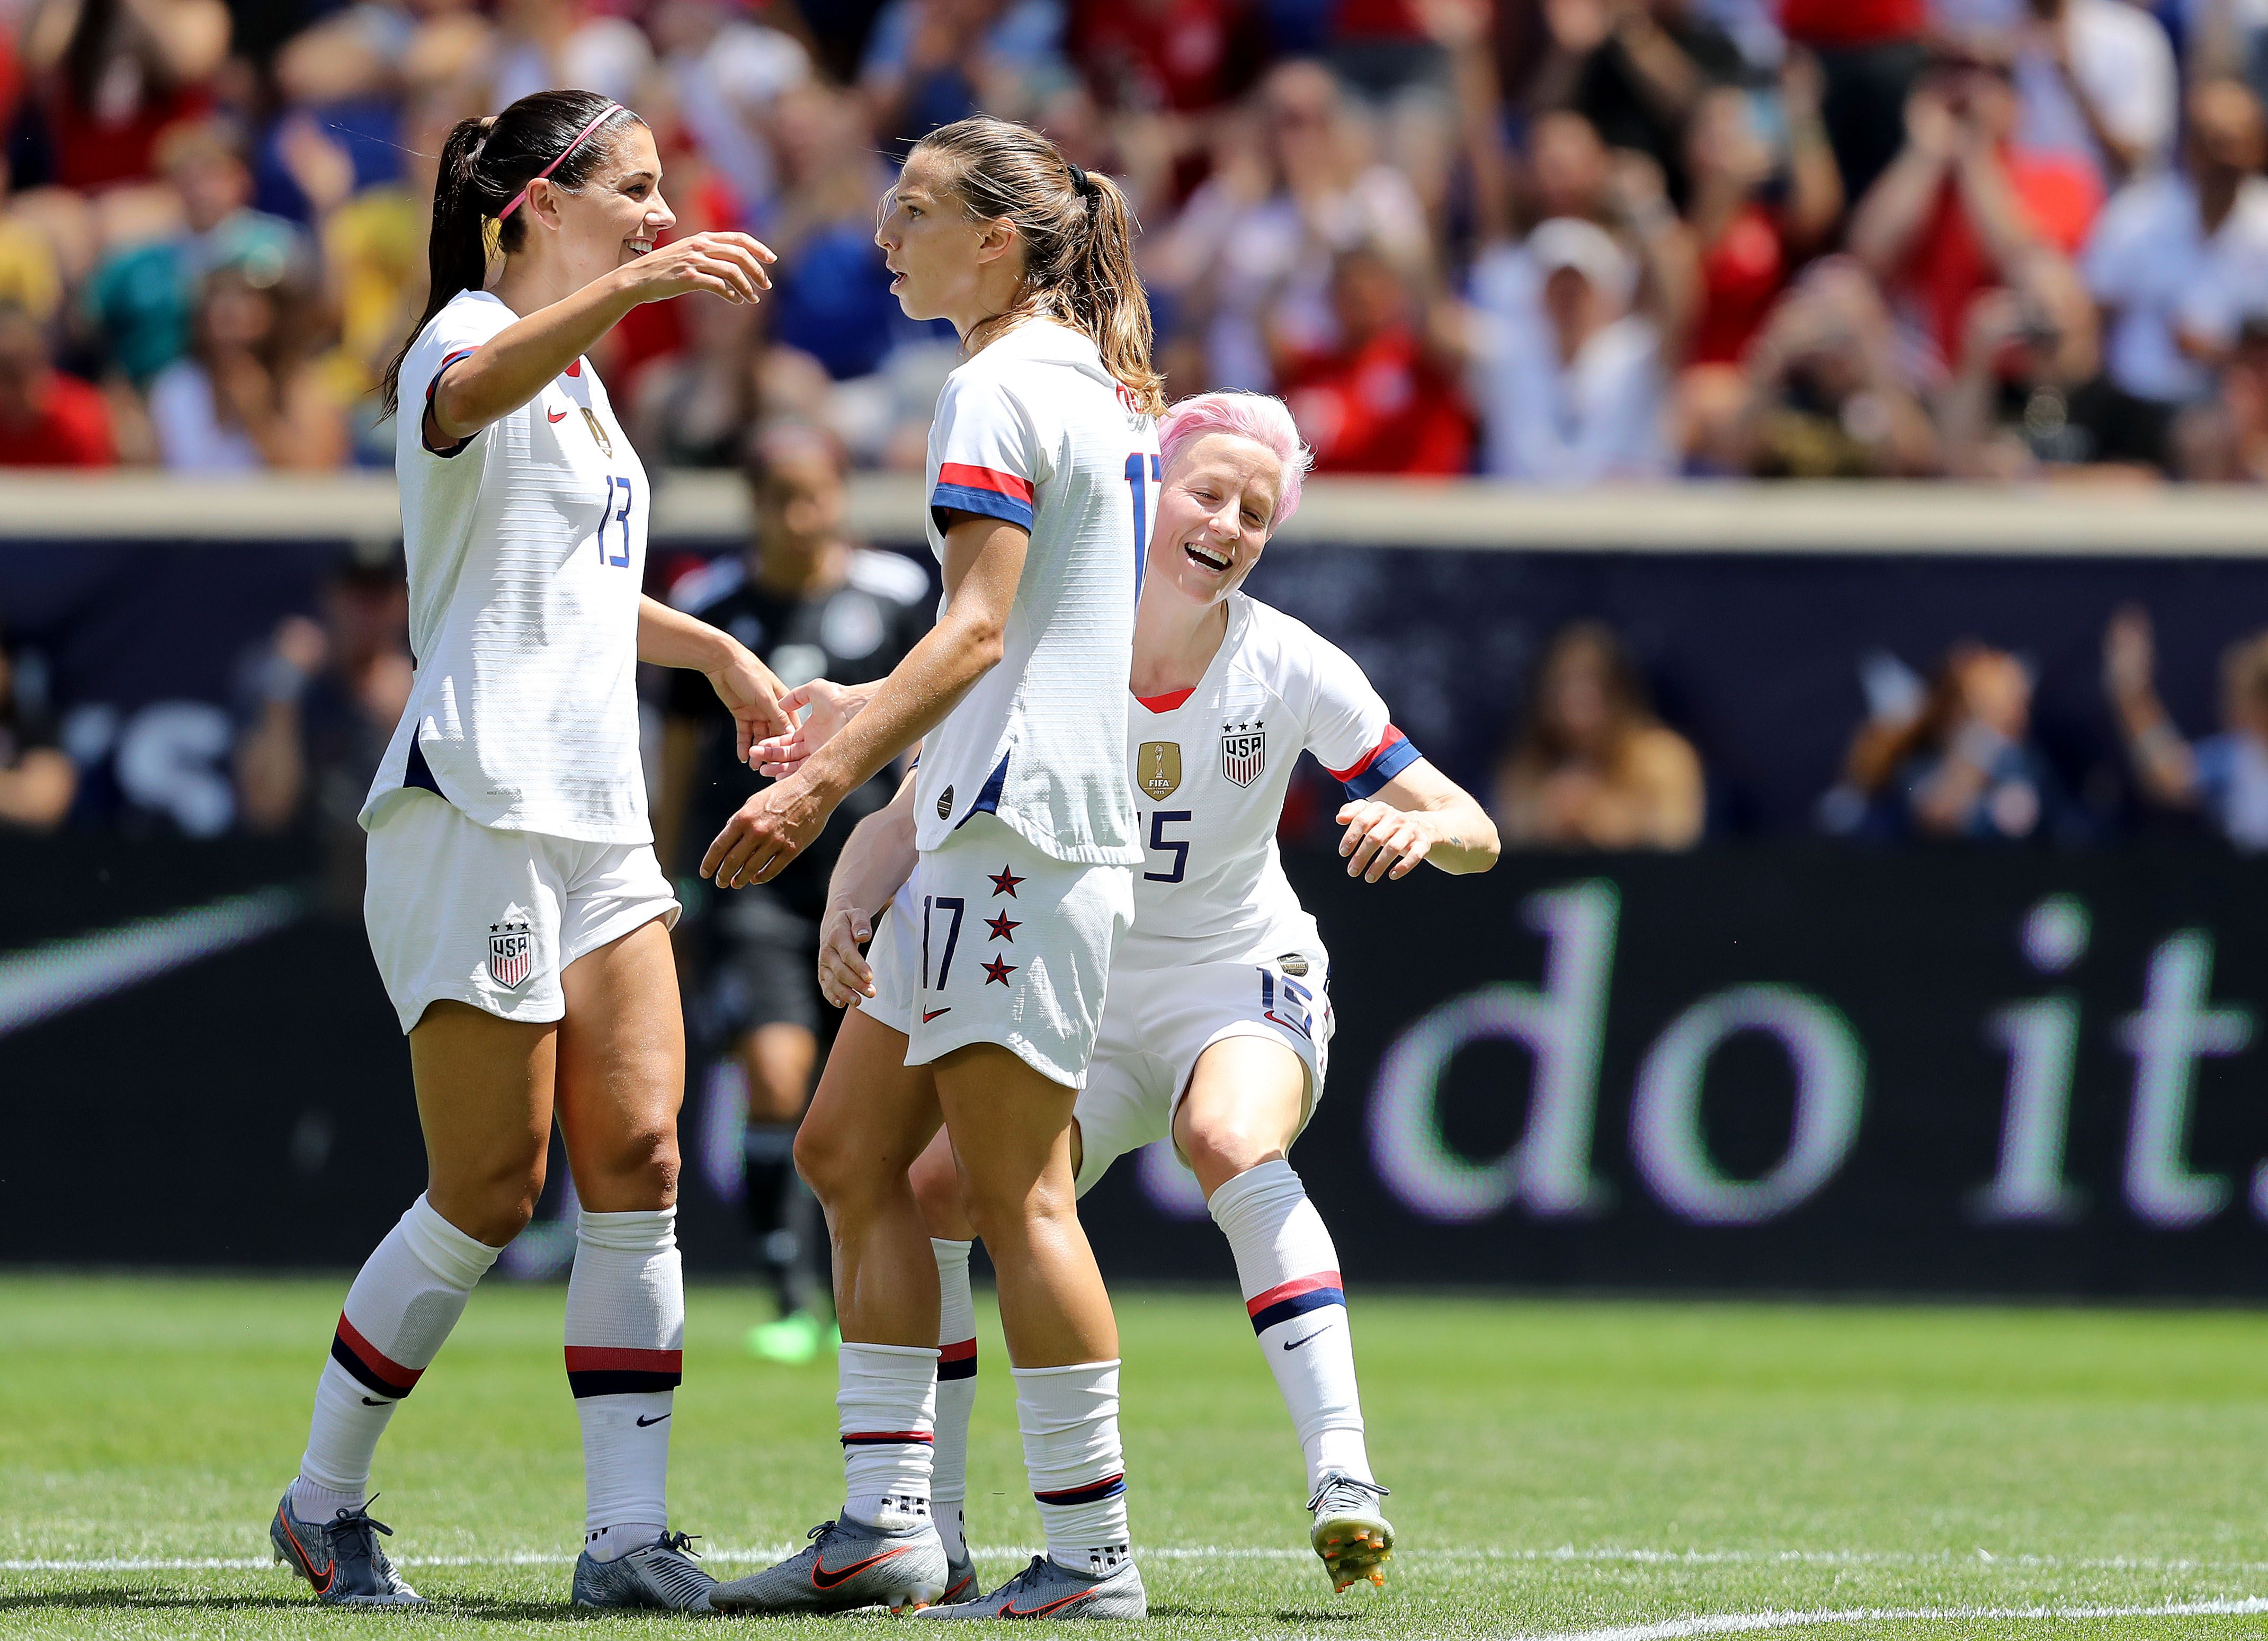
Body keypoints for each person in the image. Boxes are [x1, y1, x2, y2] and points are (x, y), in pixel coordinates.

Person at [797, 391, 1499, 1600]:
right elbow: (915, 807)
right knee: (939, 1188)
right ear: (1146, 491)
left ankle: (1343, 1477)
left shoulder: (1285, 661)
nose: (1227, 524)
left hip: (1232, 975)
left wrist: (1412, 820)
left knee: (1225, 1134)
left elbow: (1473, 826)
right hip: (1079, 986)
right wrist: (849, 901)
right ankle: (937, 1538)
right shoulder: (1043, 639)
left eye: (1256, 511)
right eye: (1208, 492)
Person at [268, 88, 789, 1614]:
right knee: (489, 1189)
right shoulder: (465, 337)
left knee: (641, 1159)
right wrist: (629, 287)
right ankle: (321, 1503)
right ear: (532, 205)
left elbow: (571, 581)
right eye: (628, 187)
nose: (658, 212)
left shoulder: (580, 385)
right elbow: (471, 388)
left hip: (595, 814)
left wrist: (716, 656)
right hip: (473, 801)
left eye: (658, 190)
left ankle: (627, 1536)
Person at [696, 116, 1164, 1622]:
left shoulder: (995, 383)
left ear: (999, 242)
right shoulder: (1075, 376)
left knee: (1017, 1193)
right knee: (846, 1154)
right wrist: (889, 793)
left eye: (913, 212)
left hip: (1024, 840)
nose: (883, 237)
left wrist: (833, 781)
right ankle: (889, 1524)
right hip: (989, 822)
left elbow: (973, 634)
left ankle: (1092, 1559)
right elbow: (1004, 649)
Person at [655, 423, 931, 1364]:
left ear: (841, 494)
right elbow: (679, 760)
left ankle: (890, 1285)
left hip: (873, 877)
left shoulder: (897, 595)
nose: (800, 514)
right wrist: (667, 881)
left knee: (880, 1105)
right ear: (755, 504)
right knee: (776, 1080)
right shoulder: (711, 608)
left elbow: (934, 727)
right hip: (754, 881)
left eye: (816, 493)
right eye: (780, 497)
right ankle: (791, 1292)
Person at [2081, 78, 2268, 472]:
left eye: (2235, 143)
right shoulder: (2136, 217)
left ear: (2258, 149)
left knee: (2222, 424)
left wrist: (2220, 355)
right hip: (2128, 407)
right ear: (2190, 148)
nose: (2224, 158)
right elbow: (2091, 317)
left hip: (2228, 410)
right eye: (2212, 142)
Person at [235, 554, 413, 914]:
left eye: (378, 596)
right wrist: (284, 696)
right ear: (329, 597)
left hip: (402, 890)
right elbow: (267, 811)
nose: (365, 612)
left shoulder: (429, 684)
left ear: (402, 602)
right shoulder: (289, 682)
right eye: (354, 594)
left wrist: (406, 724)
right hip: (301, 890)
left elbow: (446, 825)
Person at [1493, 620, 1704, 849]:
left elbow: (1678, 844)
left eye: (1590, 683)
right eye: (1562, 685)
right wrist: (1548, 818)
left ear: (1620, 691)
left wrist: (1606, 820)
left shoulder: (1665, 758)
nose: (1575, 699)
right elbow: (1503, 848)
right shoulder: (1526, 767)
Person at [2105, 604, 2268, 848]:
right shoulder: (2239, 756)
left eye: (2240, 698)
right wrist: (2133, 693)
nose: (2231, 709)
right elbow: (2169, 773)